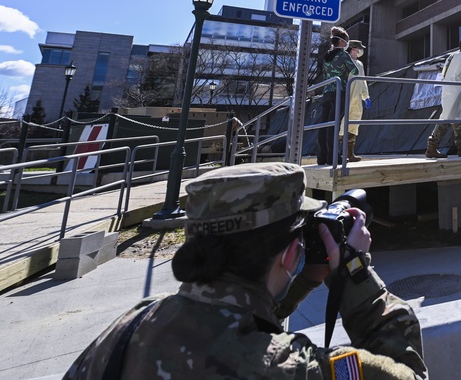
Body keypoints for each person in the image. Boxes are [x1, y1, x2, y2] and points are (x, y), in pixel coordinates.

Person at [64, 162, 427, 379]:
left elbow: (232, 316)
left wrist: (301, 280)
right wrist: (356, 275)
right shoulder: (288, 367)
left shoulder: (134, 323)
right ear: (290, 254)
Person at [425, 37, 461, 158]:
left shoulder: (451, 56)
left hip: (448, 89)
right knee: (446, 118)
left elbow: (444, 73)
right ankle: (431, 147)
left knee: (458, 118)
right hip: (455, 90)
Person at [320, 26, 354, 165]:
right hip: (339, 91)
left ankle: (322, 157)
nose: (347, 44)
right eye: (346, 41)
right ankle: (333, 157)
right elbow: (355, 70)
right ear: (341, 42)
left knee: (324, 124)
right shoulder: (343, 55)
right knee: (335, 124)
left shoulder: (327, 55)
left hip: (327, 92)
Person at [340, 40, 370, 163]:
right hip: (346, 96)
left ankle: (350, 154)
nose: (360, 51)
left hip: (357, 99)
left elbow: (363, 81)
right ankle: (337, 153)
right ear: (353, 48)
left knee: (354, 125)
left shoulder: (360, 64)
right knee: (341, 124)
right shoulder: (344, 62)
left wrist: (366, 96)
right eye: (358, 48)